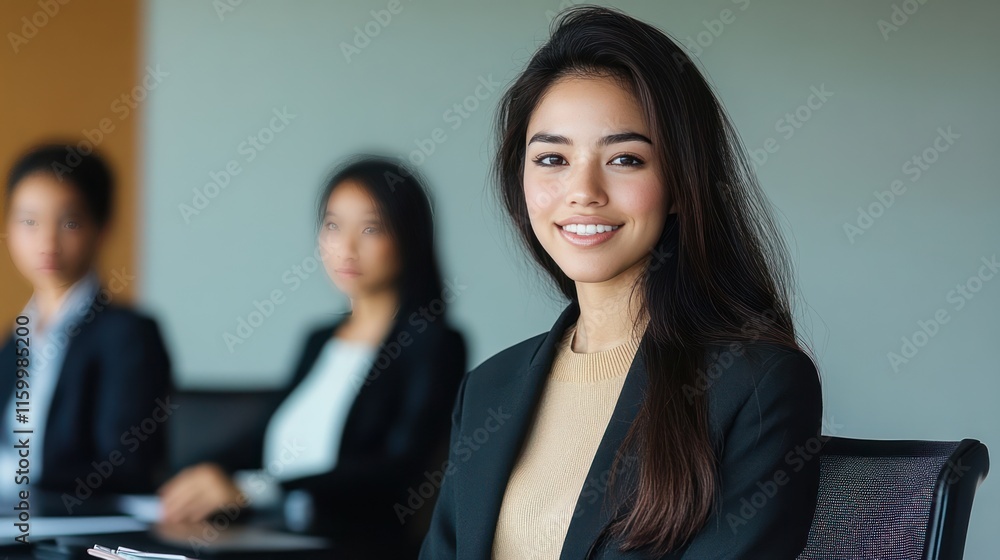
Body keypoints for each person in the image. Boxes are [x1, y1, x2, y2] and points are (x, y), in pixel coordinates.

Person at [420, 6, 823, 559]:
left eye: (625, 158)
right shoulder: (490, 388)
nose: (582, 190)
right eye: (552, 158)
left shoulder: (754, 385)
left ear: (682, 184)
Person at [157, 155, 467, 558]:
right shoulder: (319, 338)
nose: (347, 247)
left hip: (350, 547)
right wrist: (208, 470)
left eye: (371, 227)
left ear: (409, 236)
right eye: (333, 226)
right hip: (270, 535)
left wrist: (253, 490)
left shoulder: (434, 344)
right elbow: (265, 436)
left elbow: (397, 469)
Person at [0, 143, 174, 509]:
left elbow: (125, 464)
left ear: (102, 226)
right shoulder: (15, 340)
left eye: (69, 221)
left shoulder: (127, 335)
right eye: (29, 221)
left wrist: (15, 472)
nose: (46, 240)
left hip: (87, 527)